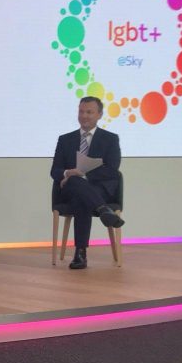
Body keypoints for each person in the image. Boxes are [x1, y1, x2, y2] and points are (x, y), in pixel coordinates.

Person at [49, 96, 124, 270]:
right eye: (81, 111)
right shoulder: (65, 139)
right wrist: (69, 173)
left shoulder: (110, 139)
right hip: (69, 188)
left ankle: (80, 253)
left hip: (99, 188)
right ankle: (103, 210)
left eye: (89, 112)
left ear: (99, 115)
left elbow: (112, 169)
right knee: (75, 182)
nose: (84, 116)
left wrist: (84, 173)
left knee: (81, 197)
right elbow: (55, 171)